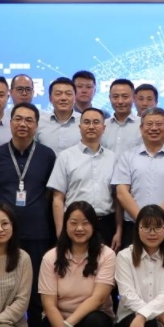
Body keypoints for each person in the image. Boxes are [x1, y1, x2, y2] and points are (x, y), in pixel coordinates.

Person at [0, 102, 57, 327]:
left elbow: (50, 192)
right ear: (10, 122)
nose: (23, 124)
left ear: (36, 125)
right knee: (2, 287)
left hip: (37, 230)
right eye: (18, 119)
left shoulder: (47, 155)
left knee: (36, 290)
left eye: (29, 120)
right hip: (4, 234)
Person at [39, 201, 117, 327]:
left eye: (85, 223)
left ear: (94, 225)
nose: (79, 228)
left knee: (95, 322)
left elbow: (98, 299)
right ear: (65, 225)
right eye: (73, 223)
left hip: (93, 318)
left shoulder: (106, 255)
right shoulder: (51, 257)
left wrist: (69, 326)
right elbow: (49, 305)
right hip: (60, 318)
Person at [113, 107, 164, 249]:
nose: (154, 128)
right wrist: (143, 220)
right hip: (134, 225)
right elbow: (122, 193)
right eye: (149, 124)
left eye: (159, 124)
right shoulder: (127, 157)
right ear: (141, 128)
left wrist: (155, 219)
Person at [48, 107, 121, 250]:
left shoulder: (113, 158)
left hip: (106, 224)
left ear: (104, 128)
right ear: (80, 127)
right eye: (87, 122)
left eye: (96, 122)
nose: (91, 126)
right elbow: (57, 198)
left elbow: (117, 198)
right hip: (75, 224)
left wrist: (119, 230)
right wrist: (60, 232)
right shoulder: (65, 157)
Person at [37, 77, 81, 154]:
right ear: (50, 98)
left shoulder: (84, 122)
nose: (63, 98)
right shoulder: (39, 123)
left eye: (68, 94)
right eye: (58, 94)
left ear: (75, 98)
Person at [101, 78, 142, 155]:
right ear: (110, 98)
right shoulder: (102, 126)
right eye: (115, 97)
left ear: (134, 98)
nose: (120, 101)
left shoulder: (143, 125)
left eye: (125, 96)